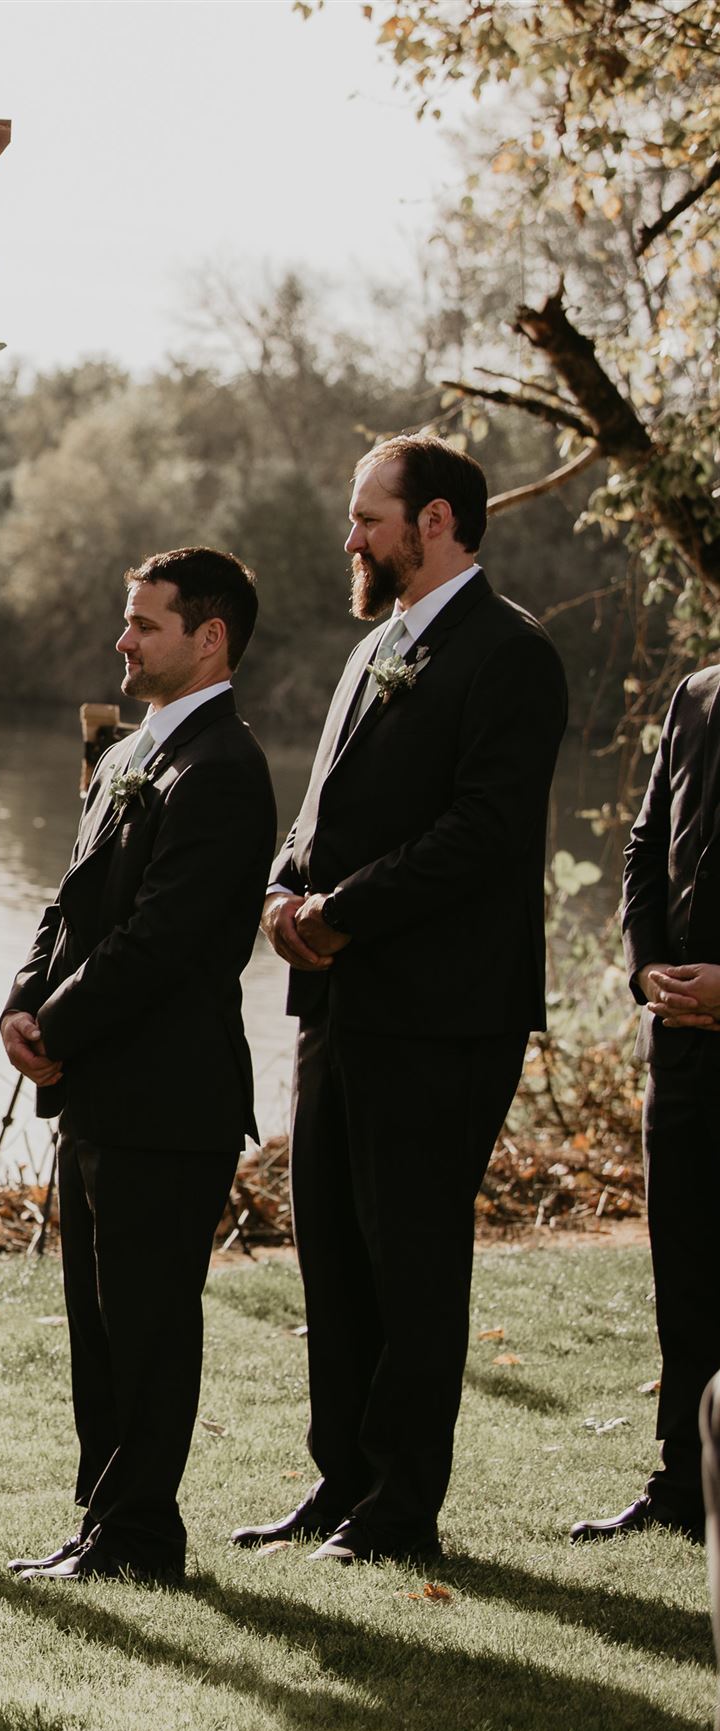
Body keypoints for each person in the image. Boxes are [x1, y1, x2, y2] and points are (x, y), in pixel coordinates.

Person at [238, 436, 567, 1565]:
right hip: (335, 1007)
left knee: (411, 1258)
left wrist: (338, 912)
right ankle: (337, 1482)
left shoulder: (509, 655)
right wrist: (284, 891)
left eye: (366, 518)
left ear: (432, 520)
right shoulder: (371, 650)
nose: (350, 539)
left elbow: (478, 833)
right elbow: (315, 812)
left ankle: (400, 1506)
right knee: (330, 1250)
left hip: (439, 1013)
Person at [0, 548, 274, 1585]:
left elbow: (161, 944)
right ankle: (100, 1523)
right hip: (95, 1092)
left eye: (143, 624)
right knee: (97, 1326)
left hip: (169, 1097)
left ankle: (142, 1538)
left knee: (149, 1327)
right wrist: (22, 1001)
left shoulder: (222, 771)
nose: (122, 640)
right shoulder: (125, 756)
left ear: (207, 638)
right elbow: (64, 902)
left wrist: (55, 1030)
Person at [577, 662, 720, 1542]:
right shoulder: (697, 692)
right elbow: (643, 844)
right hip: (682, 1047)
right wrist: (643, 967)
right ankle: (685, 1485)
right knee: (688, 1271)